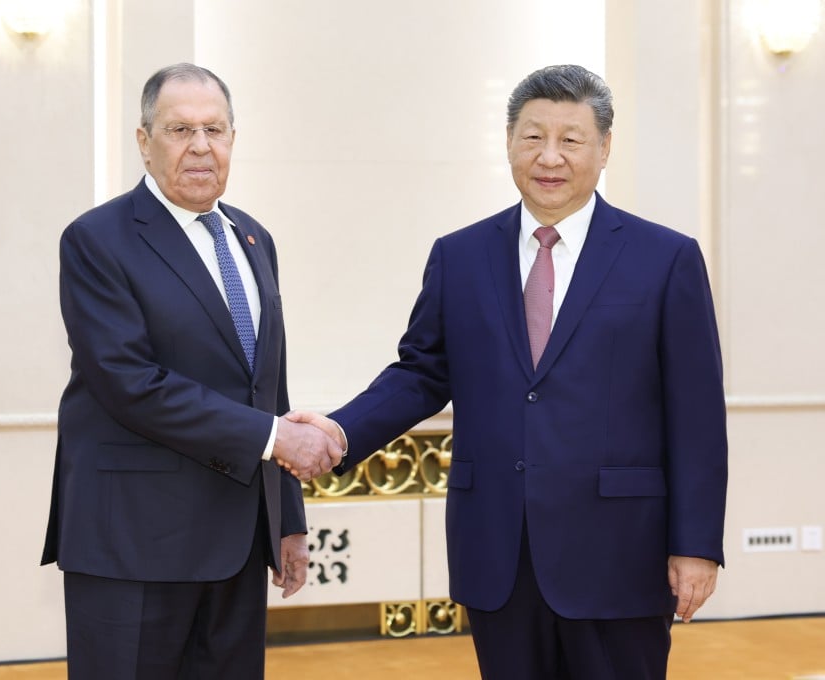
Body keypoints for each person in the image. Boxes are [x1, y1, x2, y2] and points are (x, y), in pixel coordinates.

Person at [289, 64, 727, 679]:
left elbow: (697, 415)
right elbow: (420, 373)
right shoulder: (460, 255)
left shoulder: (666, 258)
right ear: (508, 142)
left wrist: (697, 544)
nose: (550, 157)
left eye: (571, 140)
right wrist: (339, 431)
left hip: (620, 553)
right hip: (499, 551)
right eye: (532, 137)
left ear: (604, 148)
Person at [41, 62, 342, 680]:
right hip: (132, 544)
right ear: (144, 142)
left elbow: (268, 389)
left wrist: (286, 520)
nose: (201, 146)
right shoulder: (97, 240)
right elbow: (130, 382)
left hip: (236, 543)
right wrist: (275, 439)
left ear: (233, 138)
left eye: (215, 129)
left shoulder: (253, 239)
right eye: (179, 129)